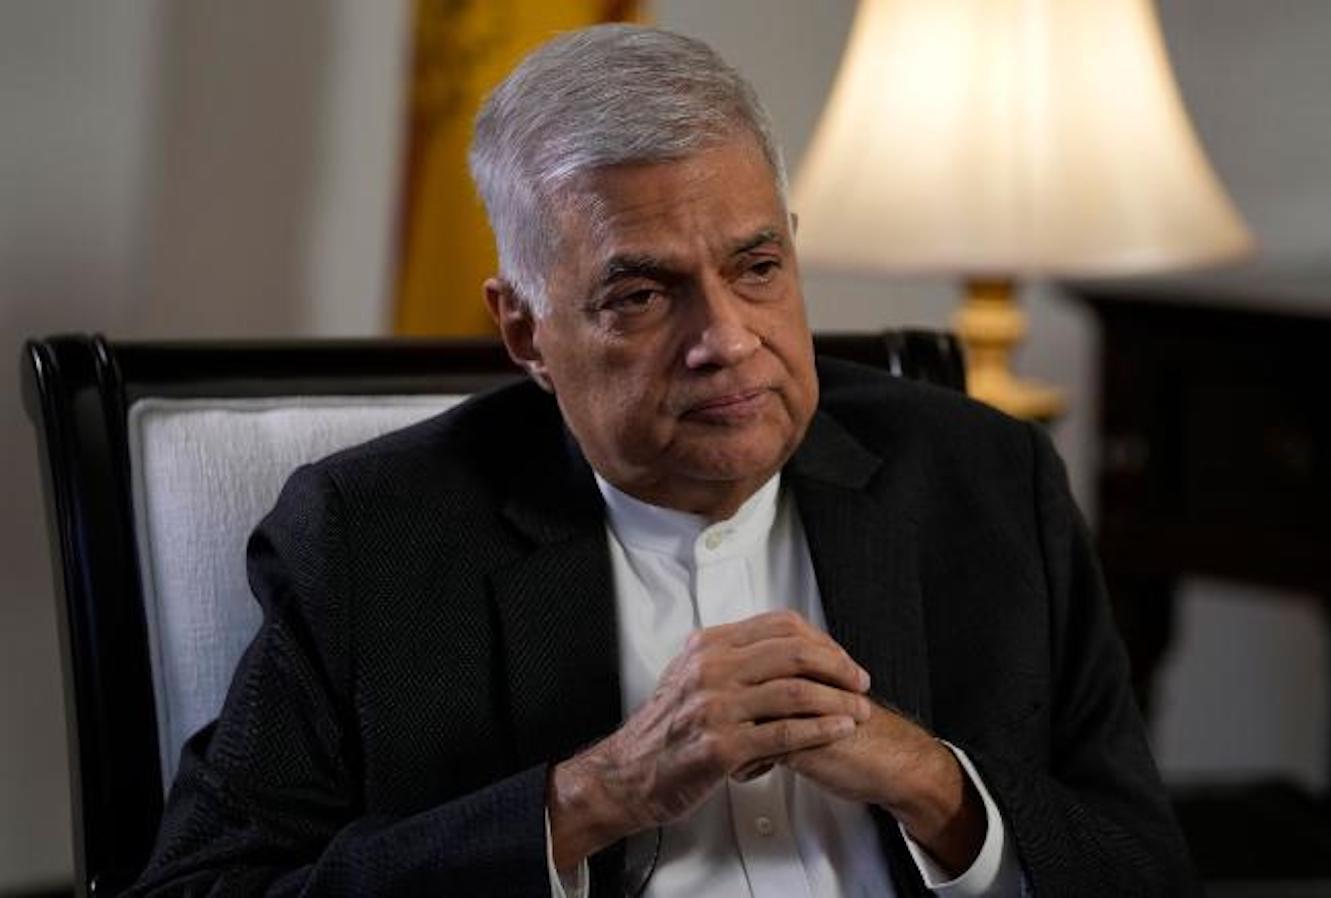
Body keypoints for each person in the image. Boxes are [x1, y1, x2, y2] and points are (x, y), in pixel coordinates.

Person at [127, 24, 1196, 898]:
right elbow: (202, 889)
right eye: (640, 294)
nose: (725, 339)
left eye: (757, 267)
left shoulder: (985, 481)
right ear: (524, 330)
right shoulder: (373, 535)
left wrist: (933, 783)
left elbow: (1145, 871)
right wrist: (593, 796)